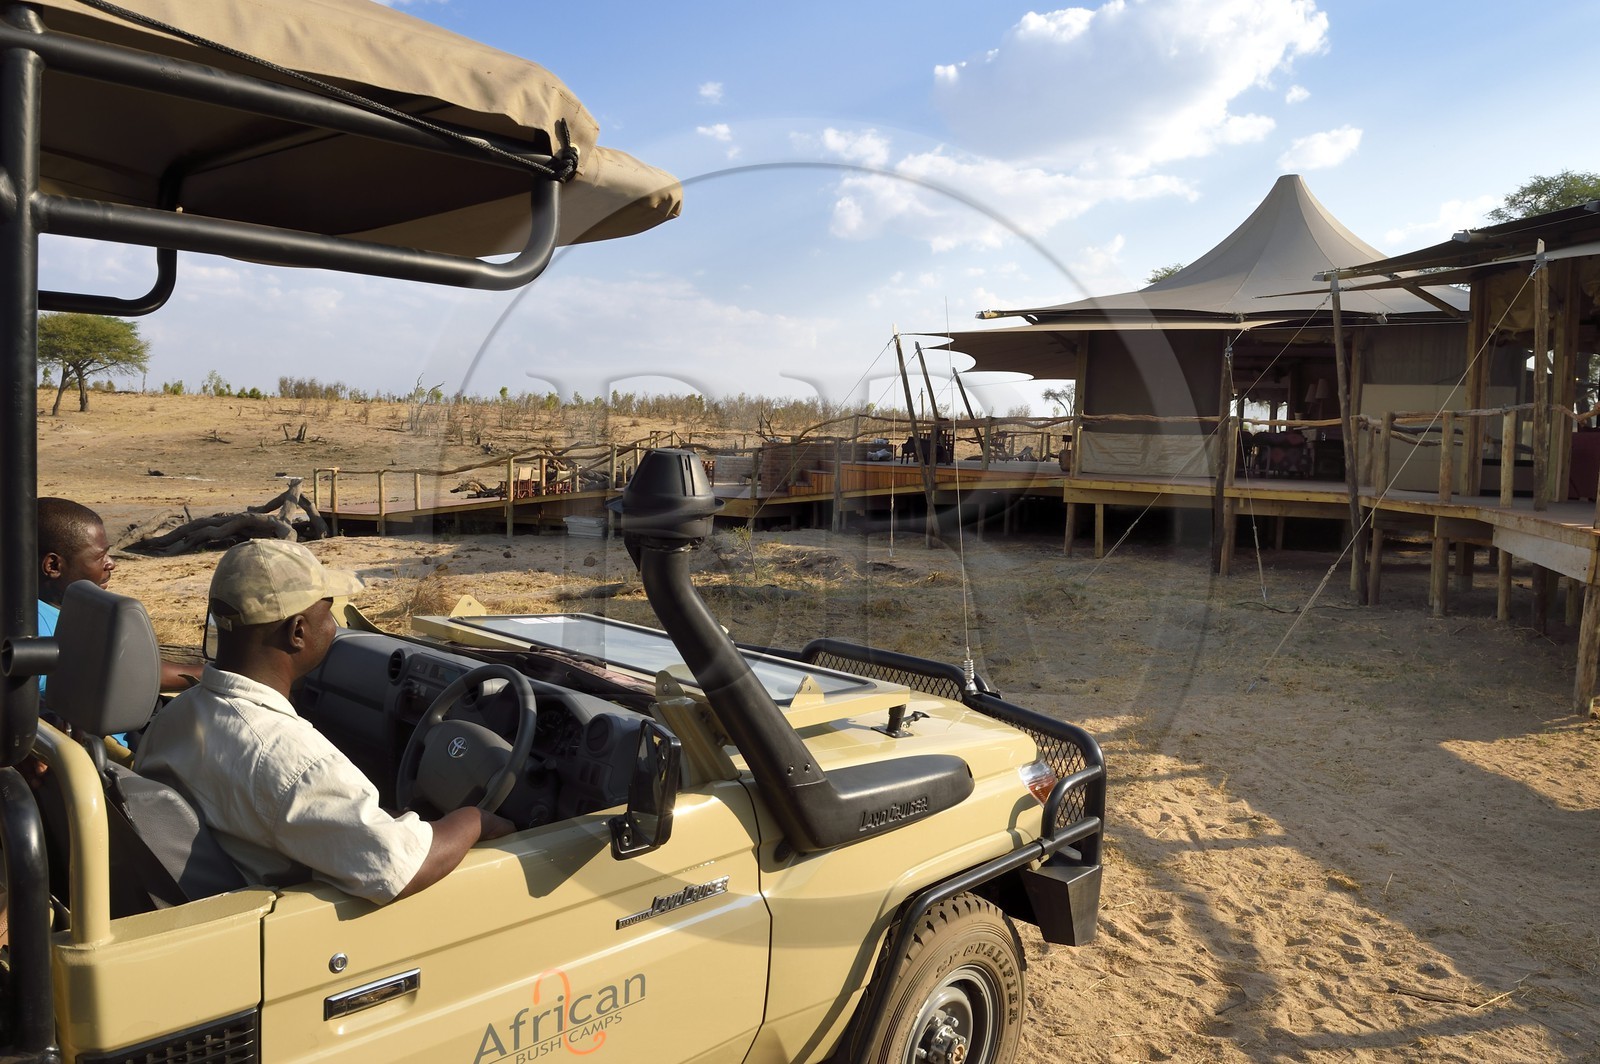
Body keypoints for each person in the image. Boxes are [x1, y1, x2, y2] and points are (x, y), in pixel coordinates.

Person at [135, 539, 514, 905]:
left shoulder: (176, 715)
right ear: (298, 632)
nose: (334, 625)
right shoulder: (292, 760)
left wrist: (389, 822)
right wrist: (475, 819)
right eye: (328, 613)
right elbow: (400, 868)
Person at [37, 497, 197, 698]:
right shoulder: (40, 631)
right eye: (100, 557)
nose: (111, 563)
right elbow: (128, 674)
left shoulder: (58, 611)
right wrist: (213, 674)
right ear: (53, 566)